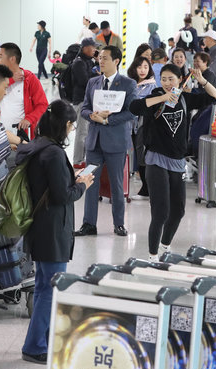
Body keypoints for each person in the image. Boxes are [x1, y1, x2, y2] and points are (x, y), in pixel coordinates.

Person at [18, 99, 93, 364]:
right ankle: (35, 345)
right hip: (52, 229)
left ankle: (44, 340)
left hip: (40, 226)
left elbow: (51, 186)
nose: (72, 130)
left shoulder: (38, 147)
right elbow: (63, 195)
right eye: (71, 125)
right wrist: (82, 184)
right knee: (50, 289)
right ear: (64, 124)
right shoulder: (54, 153)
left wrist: (70, 179)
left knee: (43, 287)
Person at [131, 64, 216, 260]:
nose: (167, 83)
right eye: (163, 79)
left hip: (178, 161)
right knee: (160, 212)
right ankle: (152, 255)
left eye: (171, 79)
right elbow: (134, 107)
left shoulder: (185, 97)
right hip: (156, 159)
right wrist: (163, 97)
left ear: (180, 79)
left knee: (178, 210)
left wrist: (202, 80)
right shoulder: (155, 96)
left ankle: (165, 246)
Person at [73, 46, 136, 237]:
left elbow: (131, 111)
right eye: (100, 58)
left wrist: (108, 120)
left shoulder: (128, 83)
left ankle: (119, 224)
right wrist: (92, 116)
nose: (101, 61)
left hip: (116, 143)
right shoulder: (93, 82)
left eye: (105, 58)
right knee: (89, 182)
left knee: (117, 184)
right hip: (94, 143)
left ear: (116, 61)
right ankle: (89, 224)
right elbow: (84, 108)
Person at [0, 42, 49, 140]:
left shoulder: (30, 79)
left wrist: (29, 119)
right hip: (0, 135)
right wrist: (10, 80)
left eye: (1, 56)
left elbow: (43, 105)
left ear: (12, 59)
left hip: (22, 136)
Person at [127, 56, 157, 201]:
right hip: (130, 124)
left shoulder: (152, 85)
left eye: (145, 67)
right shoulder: (131, 84)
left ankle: (147, 189)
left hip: (143, 124)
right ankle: (146, 189)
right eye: (140, 67)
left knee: (142, 154)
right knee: (137, 155)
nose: (143, 70)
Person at [70, 38, 99, 167]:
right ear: (85, 48)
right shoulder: (79, 63)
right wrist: (97, 76)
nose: (95, 50)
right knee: (82, 132)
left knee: (86, 132)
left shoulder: (89, 62)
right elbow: (85, 81)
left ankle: (82, 159)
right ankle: (77, 161)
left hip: (88, 101)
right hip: (81, 101)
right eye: (93, 47)